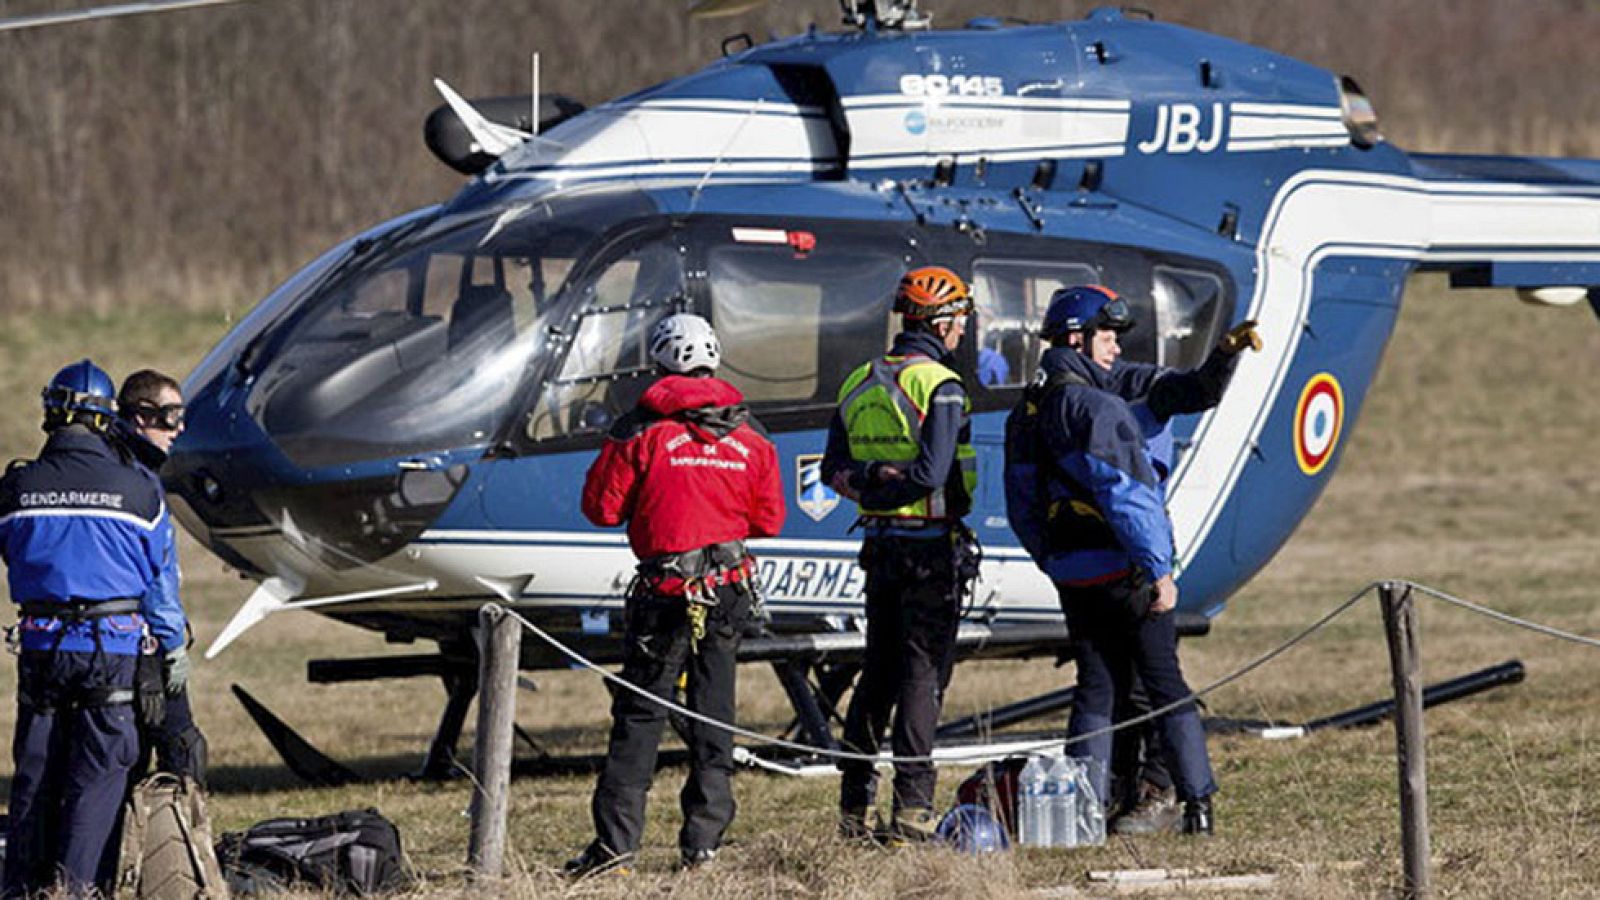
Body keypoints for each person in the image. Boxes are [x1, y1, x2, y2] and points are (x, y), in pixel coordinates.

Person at [1003, 284, 1260, 836]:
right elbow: (1129, 494)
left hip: (1074, 570)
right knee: (1163, 682)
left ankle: (1085, 810)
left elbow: (1020, 498)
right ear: (1077, 337)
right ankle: (1196, 804)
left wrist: (1051, 557)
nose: (1117, 347)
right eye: (1107, 336)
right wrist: (1158, 567)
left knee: (1096, 686)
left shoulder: (1029, 406)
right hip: (1129, 566)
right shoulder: (1098, 405)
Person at [565, 313, 785, 876]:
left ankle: (616, 847)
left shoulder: (638, 430)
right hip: (728, 592)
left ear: (659, 363)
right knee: (715, 715)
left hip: (665, 593)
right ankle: (704, 843)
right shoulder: (752, 436)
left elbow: (600, 508)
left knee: (640, 717)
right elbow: (770, 520)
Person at [0, 360, 172, 896]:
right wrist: (170, 652)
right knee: (96, 780)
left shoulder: (16, 489)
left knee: (34, 775)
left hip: (42, 651)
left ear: (50, 416)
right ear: (106, 421)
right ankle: (76, 890)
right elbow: (160, 586)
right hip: (112, 654)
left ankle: (20, 889)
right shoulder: (139, 492)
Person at [821, 265, 980, 844]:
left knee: (878, 673)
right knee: (920, 677)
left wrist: (869, 482)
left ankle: (853, 805)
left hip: (879, 546)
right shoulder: (941, 384)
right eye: (960, 317)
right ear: (942, 321)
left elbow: (833, 470)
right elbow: (933, 473)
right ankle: (913, 810)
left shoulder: (857, 381)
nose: (963, 329)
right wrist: (895, 482)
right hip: (928, 552)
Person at [113, 369, 206, 784]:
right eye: (171, 416)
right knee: (182, 748)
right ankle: (178, 844)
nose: (179, 428)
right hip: (140, 640)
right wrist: (171, 643)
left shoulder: (109, 466)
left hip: (99, 642)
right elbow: (155, 574)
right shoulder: (140, 483)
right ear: (142, 416)